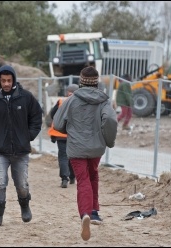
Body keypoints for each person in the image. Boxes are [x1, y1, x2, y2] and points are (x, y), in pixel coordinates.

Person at [53, 66, 117, 241]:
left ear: (81, 81)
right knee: (93, 176)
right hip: (96, 147)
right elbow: (110, 119)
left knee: (83, 180)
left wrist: (71, 129)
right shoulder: (104, 100)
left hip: (76, 147)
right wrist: (108, 140)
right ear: (96, 82)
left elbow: (57, 124)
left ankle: (85, 214)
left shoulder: (71, 100)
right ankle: (95, 212)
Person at [0, 65, 43, 227]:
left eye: (9, 80)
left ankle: (25, 206)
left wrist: (29, 136)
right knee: (0, 182)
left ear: (13, 80)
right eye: (3, 80)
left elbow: (36, 117)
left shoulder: (26, 97)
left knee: (21, 184)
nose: (6, 83)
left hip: (21, 151)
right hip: (0, 150)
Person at [48, 84, 78, 188]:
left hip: (60, 134)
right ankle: (73, 177)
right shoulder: (80, 103)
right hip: (74, 135)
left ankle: (64, 179)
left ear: (67, 92)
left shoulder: (61, 101)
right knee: (72, 156)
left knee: (63, 156)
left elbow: (52, 114)